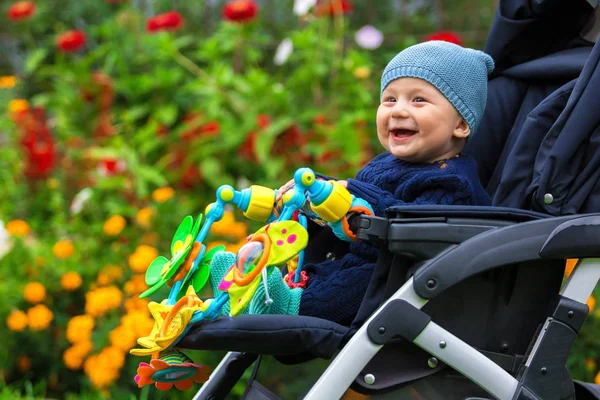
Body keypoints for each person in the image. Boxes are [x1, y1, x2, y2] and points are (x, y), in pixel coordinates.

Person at [209, 41, 494, 325]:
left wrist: (350, 190)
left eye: (418, 100)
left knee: (343, 289)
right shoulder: (383, 164)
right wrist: (319, 193)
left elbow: (416, 223)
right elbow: (353, 204)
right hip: (353, 260)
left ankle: (278, 303)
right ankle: (248, 287)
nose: (397, 111)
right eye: (390, 100)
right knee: (320, 270)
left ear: (461, 124)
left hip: (397, 284)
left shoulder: (452, 182)